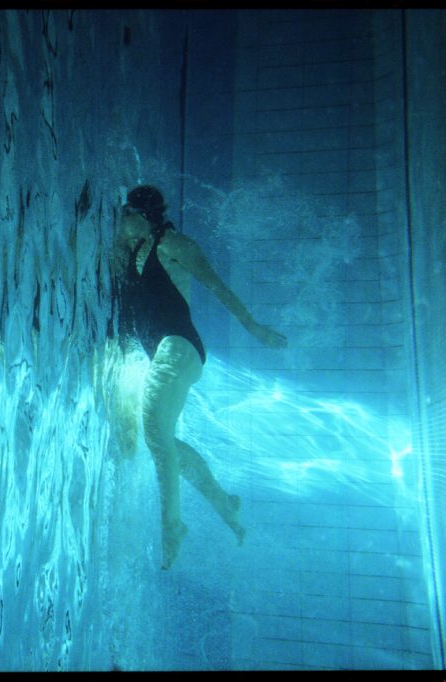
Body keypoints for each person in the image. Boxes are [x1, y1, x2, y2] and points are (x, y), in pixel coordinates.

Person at [109, 185, 286, 570]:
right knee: (165, 440)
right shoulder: (134, 251)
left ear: (143, 215)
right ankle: (223, 501)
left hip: (179, 347)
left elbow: (216, 286)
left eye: (127, 214)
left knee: (155, 435)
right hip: (169, 354)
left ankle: (172, 526)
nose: (121, 221)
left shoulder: (173, 244)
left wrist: (253, 327)